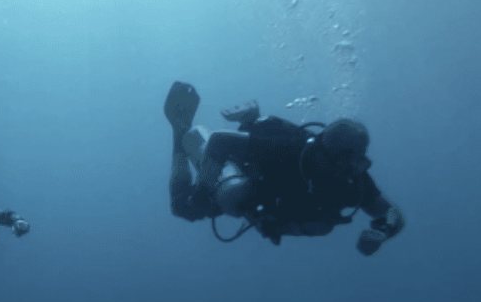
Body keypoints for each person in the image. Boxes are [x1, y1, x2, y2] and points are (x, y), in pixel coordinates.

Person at [165, 81, 404, 255]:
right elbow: (219, 141)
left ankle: (252, 121)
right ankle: (182, 130)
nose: (346, 171)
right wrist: (203, 190)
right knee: (189, 205)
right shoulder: (290, 151)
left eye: (357, 163)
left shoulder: (353, 181)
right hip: (249, 178)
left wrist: (382, 233)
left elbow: (392, 214)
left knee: (323, 226)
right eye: (341, 162)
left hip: (271, 207)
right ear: (319, 152)